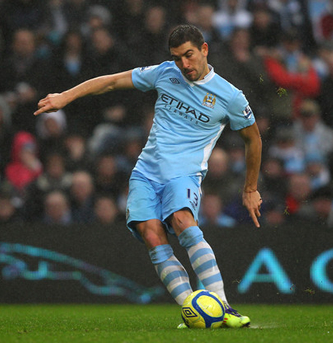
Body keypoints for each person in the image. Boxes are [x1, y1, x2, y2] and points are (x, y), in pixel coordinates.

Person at [35, 24, 262, 328]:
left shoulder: (230, 96)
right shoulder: (164, 73)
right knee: (152, 236)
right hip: (145, 172)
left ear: (204, 49)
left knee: (182, 221)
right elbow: (112, 82)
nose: (184, 64)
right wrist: (66, 96)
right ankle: (194, 312)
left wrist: (250, 187)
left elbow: (254, 139)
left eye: (189, 55)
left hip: (185, 174)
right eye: (177, 57)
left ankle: (223, 305)